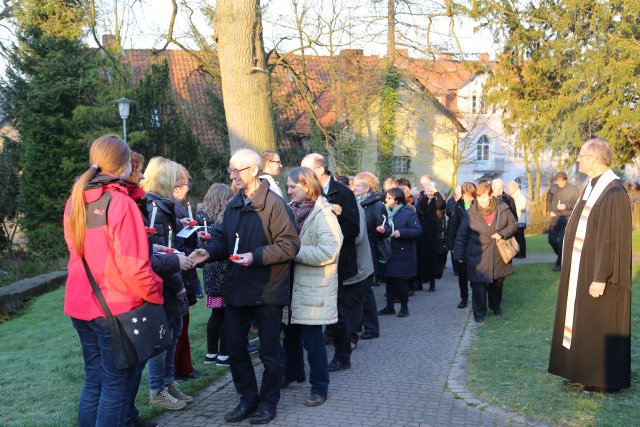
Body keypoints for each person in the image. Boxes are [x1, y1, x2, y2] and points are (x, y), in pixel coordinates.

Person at [189, 149, 300, 424]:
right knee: (235, 348)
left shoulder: (275, 205)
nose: (232, 175)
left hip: (268, 290)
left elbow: (290, 245)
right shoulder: (233, 204)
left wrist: (256, 256)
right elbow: (222, 240)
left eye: (237, 170)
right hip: (237, 288)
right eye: (230, 170)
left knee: (270, 352)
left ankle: (267, 403)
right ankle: (247, 399)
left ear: (253, 171)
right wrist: (208, 252)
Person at [63, 135, 164, 427]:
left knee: (94, 382)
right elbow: (134, 267)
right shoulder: (120, 203)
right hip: (115, 308)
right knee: (115, 387)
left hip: (82, 306)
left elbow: (77, 251)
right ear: (123, 165)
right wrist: (155, 293)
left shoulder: (75, 200)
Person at [548, 138, 632, 393]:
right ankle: (580, 370)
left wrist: (600, 277)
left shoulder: (613, 192)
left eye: (582, 155)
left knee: (599, 322)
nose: (578, 159)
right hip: (581, 269)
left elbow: (612, 239)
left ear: (595, 159)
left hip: (600, 274)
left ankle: (602, 379)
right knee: (581, 320)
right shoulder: (591, 185)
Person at [283, 167, 343, 407]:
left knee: (313, 342)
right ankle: (293, 372)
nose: (288, 191)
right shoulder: (292, 210)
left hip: (314, 287)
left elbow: (329, 251)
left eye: (292, 187)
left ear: (307, 186)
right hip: (292, 285)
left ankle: (320, 387)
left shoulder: (323, 214)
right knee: (289, 336)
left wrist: (293, 252)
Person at [141, 157, 193, 410]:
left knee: (173, 334)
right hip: (162, 286)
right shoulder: (154, 209)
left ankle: (169, 383)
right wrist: (177, 285)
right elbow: (159, 254)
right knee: (163, 338)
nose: (178, 185)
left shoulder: (161, 206)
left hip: (167, 283)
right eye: (174, 179)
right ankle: (157, 389)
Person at [301, 153, 359, 373]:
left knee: (336, 309)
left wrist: (325, 237)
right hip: (314, 260)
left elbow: (353, 228)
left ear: (318, 170)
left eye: (305, 170)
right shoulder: (308, 193)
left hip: (337, 261)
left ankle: (343, 356)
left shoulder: (342, 193)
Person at [452, 181, 518, 322]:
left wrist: (502, 233)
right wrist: (458, 254)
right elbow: (462, 234)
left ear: (491, 196)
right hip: (477, 254)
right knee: (478, 285)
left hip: (498, 253)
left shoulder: (502, 207)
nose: (482, 200)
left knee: (497, 283)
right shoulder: (471, 212)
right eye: (479, 197)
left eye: (484, 197)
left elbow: (513, 225)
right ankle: (479, 313)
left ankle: (496, 307)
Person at [171, 164, 207, 381]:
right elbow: (174, 243)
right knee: (178, 326)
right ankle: (177, 370)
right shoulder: (172, 207)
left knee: (183, 324)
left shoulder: (177, 208)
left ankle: (184, 368)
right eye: (185, 184)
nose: (187, 188)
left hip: (184, 269)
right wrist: (193, 252)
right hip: (179, 269)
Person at [197, 183, 234, 368]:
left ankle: (211, 352)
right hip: (224, 269)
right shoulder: (225, 219)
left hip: (210, 269)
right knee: (227, 314)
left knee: (216, 313)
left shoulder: (200, 218)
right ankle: (224, 354)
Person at [377, 186, 423, 317]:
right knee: (389, 280)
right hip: (388, 251)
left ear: (397, 199)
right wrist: (382, 229)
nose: (385, 199)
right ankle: (389, 307)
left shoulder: (408, 213)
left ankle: (404, 308)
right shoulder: (386, 211)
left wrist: (401, 232)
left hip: (403, 252)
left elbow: (418, 230)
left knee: (401, 281)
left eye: (389, 198)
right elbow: (387, 228)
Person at [352, 172, 383, 339]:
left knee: (365, 291)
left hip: (369, 251)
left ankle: (372, 327)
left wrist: (381, 229)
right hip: (360, 252)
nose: (354, 188)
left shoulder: (376, 205)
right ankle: (358, 324)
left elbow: (381, 226)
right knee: (359, 292)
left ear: (368, 188)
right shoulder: (357, 202)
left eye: (358, 185)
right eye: (355, 184)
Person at [447, 182, 476, 309]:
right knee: (462, 274)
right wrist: (452, 246)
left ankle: (476, 298)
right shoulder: (457, 206)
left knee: (475, 274)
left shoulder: (478, 205)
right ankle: (464, 298)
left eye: (471, 196)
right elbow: (452, 226)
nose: (468, 199)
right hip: (462, 244)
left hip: (475, 243)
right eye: (466, 196)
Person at [546, 172, 580, 271]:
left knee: (562, 243)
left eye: (562, 181)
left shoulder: (573, 189)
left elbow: (578, 204)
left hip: (567, 218)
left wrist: (566, 206)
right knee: (551, 239)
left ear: (566, 180)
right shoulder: (553, 188)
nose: (560, 183)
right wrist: (550, 210)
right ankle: (563, 257)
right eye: (558, 181)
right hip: (555, 217)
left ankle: (559, 265)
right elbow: (548, 200)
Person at [416, 181, 445, 291]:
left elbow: (442, 205)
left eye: (430, 189)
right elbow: (419, 211)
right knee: (420, 257)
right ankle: (419, 282)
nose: (428, 191)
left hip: (432, 233)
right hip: (422, 233)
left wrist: (436, 193)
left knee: (432, 257)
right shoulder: (422, 199)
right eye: (427, 189)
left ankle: (432, 284)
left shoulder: (437, 199)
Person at [507, 181, 530, 258]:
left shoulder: (520, 196)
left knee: (520, 237)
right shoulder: (515, 196)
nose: (508, 190)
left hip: (520, 220)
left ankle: (522, 254)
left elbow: (522, 209)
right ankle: (517, 253)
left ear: (514, 188)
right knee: (517, 237)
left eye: (510, 188)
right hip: (517, 220)